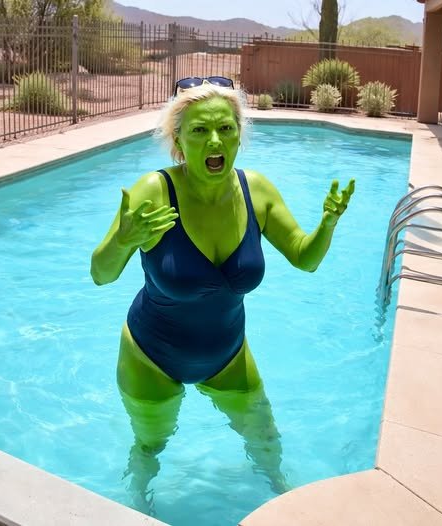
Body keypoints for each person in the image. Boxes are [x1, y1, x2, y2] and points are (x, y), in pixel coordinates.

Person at [91, 76, 355, 512]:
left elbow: (305, 259)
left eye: (225, 128)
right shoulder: (154, 191)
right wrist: (123, 240)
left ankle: (283, 495)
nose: (215, 140)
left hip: (228, 355)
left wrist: (327, 224)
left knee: (266, 440)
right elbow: (100, 275)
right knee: (151, 446)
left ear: (238, 134)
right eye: (200, 130)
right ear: (178, 139)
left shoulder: (257, 191)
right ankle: (137, 504)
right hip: (150, 357)